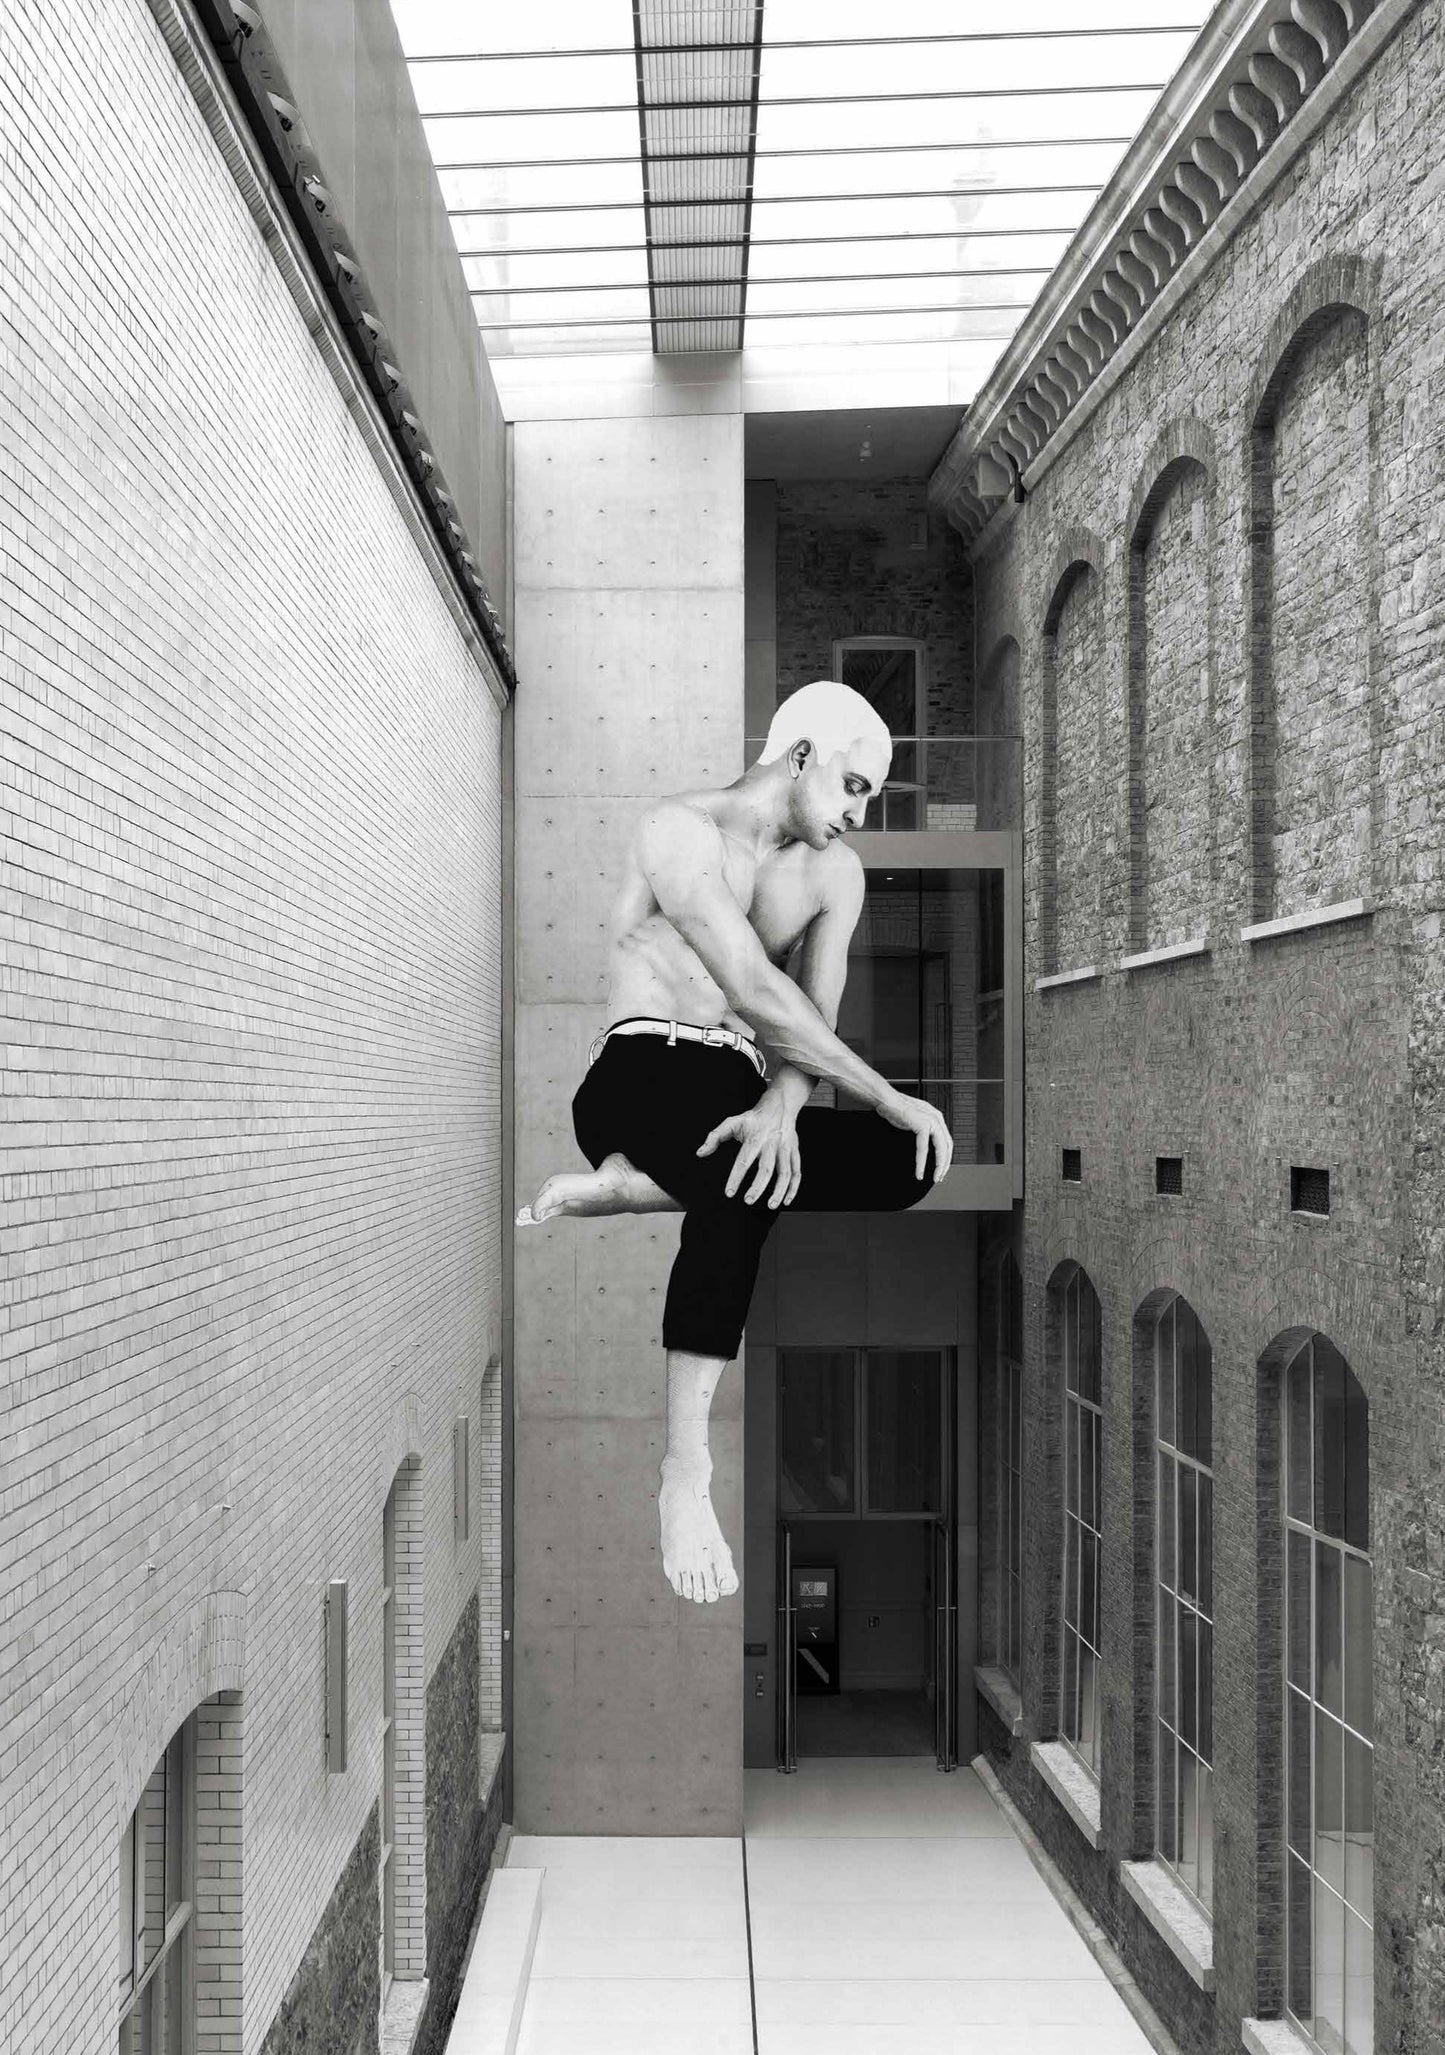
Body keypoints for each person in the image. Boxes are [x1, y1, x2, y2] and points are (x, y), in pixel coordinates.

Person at [517, 680, 954, 1603]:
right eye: (852, 786)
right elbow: (754, 988)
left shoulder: (835, 874)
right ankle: (684, 1470)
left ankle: (635, 1188)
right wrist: (885, 1093)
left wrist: (786, 1108)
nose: (855, 813)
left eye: (866, 797)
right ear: (800, 756)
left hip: (742, 1083)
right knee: (744, 1185)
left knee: (901, 1164)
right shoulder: (676, 830)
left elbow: (809, 1014)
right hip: (638, 1069)